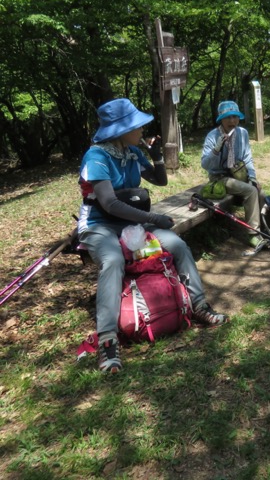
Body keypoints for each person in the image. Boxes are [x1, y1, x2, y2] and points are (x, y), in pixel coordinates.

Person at [78, 98, 229, 373]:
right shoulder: (97, 157)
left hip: (131, 223)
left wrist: (155, 154)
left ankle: (198, 305)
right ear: (120, 130)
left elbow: (160, 180)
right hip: (100, 225)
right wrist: (152, 219)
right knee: (112, 261)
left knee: (177, 245)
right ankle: (108, 340)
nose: (141, 129)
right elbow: (109, 204)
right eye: (136, 126)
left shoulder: (131, 152)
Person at [201, 101, 265, 248]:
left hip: (238, 174)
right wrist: (216, 150)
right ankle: (253, 234)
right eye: (228, 117)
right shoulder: (212, 136)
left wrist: (253, 177)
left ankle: (264, 228)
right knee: (250, 191)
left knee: (261, 193)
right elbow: (205, 164)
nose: (232, 121)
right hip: (219, 178)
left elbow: (247, 157)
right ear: (221, 119)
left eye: (235, 117)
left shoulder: (242, 133)